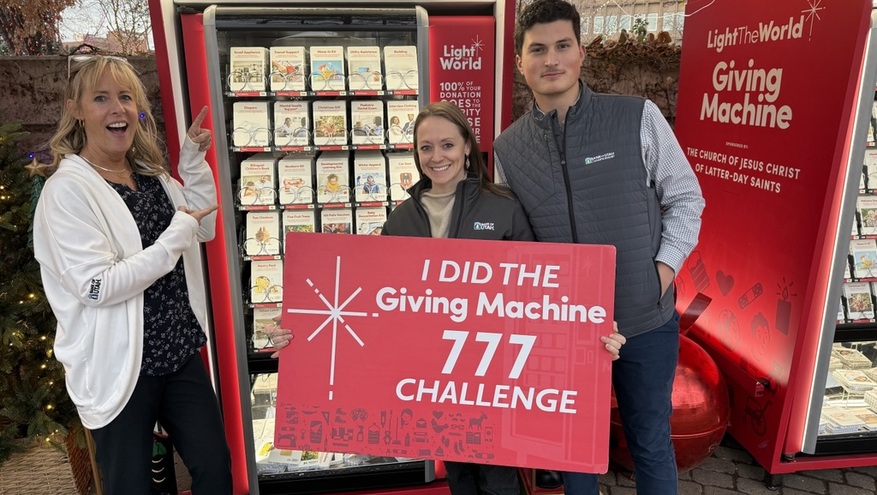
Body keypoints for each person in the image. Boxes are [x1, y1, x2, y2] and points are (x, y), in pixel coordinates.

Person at [31, 55, 292, 495]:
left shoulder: (151, 177)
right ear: (76, 109)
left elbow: (202, 225)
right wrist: (174, 236)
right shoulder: (67, 192)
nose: (118, 108)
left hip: (178, 353)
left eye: (126, 97)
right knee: (129, 484)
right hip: (119, 369)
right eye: (101, 98)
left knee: (214, 468)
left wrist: (192, 161)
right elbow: (99, 286)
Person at [493, 1, 706, 493]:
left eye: (562, 46)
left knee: (650, 442)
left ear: (581, 53)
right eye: (538, 49)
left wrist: (661, 273)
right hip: (565, 334)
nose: (552, 59)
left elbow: (686, 198)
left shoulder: (637, 117)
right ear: (522, 63)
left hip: (644, 322)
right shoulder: (508, 149)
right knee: (576, 455)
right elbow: (513, 241)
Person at [382, 101, 626, 495]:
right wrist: (304, 335)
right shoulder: (399, 220)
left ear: (466, 147)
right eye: (425, 147)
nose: (436, 156)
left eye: (446, 144)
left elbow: (544, 291)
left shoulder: (504, 206)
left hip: (497, 374)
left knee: (499, 480)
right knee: (460, 477)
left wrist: (593, 327)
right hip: (437, 377)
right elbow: (378, 301)